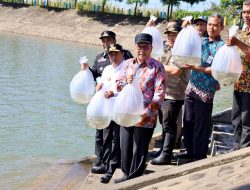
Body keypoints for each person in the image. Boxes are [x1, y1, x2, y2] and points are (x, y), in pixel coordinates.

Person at [114, 33, 166, 183]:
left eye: (146, 46)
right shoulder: (127, 63)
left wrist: (147, 112)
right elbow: (118, 86)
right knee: (125, 145)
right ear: (135, 47)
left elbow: (160, 94)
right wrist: (124, 82)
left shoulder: (157, 67)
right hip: (127, 113)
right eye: (139, 46)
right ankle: (125, 174)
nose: (142, 49)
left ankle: (135, 179)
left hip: (145, 117)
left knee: (139, 149)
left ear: (151, 48)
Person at [81, 31, 133, 174]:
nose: (113, 56)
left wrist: (114, 92)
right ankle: (102, 161)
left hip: (120, 106)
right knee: (104, 134)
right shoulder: (102, 62)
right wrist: (93, 79)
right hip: (105, 105)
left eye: (116, 54)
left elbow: (128, 85)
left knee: (116, 137)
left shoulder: (128, 63)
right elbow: (99, 78)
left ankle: (111, 165)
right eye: (111, 54)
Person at [180, 14, 225, 161]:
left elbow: (217, 69)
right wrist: (185, 28)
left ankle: (199, 155)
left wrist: (197, 68)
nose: (211, 28)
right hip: (191, 87)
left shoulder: (222, 47)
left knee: (201, 124)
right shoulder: (201, 41)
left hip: (206, 91)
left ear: (221, 27)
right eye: (210, 24)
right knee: (188, 121)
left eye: (215, 25)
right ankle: (188, 150)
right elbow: (186, 46)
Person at [150, 21, 190, 165]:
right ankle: (164, 150)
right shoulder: (167, 50)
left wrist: (156, 64)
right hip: (163, 93)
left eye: (174, 35)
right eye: (169, 35)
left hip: (174, 94)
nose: (170, 38)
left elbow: (175, 70)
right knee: (165, 123)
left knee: (169, 125)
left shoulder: (183, 52)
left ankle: (166, 155)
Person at [226, 0, 250, 150]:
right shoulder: (240, 33)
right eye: (244, 12)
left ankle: (243, 156)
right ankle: (236, 150)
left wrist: (238, 43)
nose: (246, 15)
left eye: (249, 12)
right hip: (238, 84)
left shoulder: (239, 38)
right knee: (236, 119)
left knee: (247, 123)